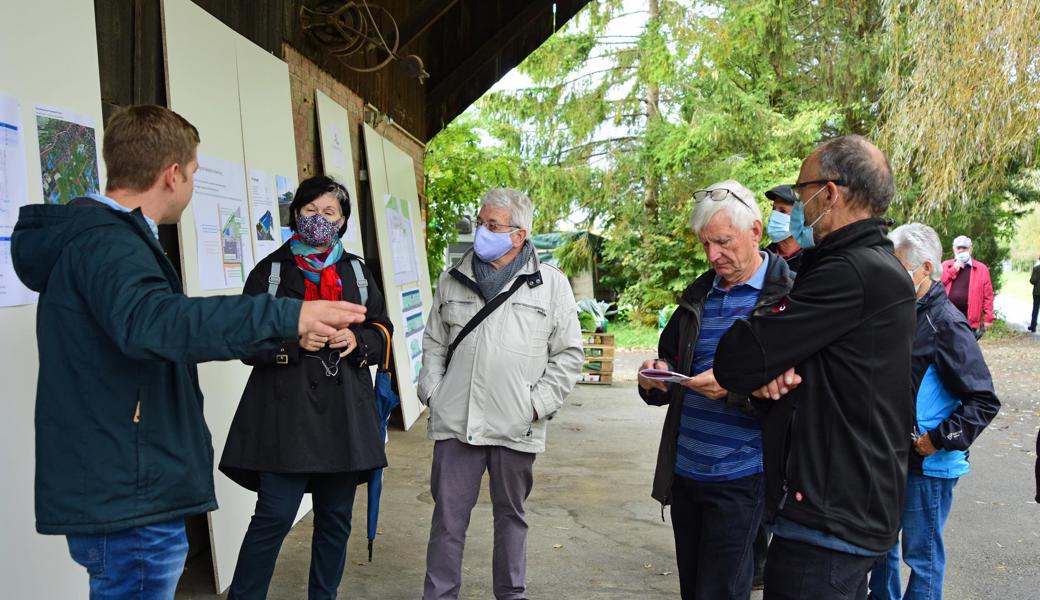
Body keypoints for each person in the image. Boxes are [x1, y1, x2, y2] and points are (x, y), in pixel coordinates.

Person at [10, 105, 366, 598]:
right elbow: (153, 322)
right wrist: (289, 316)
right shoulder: (109, 245)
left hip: (127, 482)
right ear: (172, 175)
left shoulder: (110, 240)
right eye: (195, 173)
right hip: (129, 492)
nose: (193, 186)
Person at [713, 135, 917, 599]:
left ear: (830, 193)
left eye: (801, 191)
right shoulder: (867, 267)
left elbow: (735, 360)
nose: (795, 205)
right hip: (841, 505)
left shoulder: (851, 272)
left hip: (829, 515)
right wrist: (778, 369)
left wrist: (771, 360)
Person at [220, 176, 393, 599]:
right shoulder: (271, 271)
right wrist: (290, 343)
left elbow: (381, 328)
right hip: (284, 415)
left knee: (335, 518)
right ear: (296, 214)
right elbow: (245, 339)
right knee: (274, 515)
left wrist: (359, 341)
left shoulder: (357, 271)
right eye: (311, 211)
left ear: (343, 221)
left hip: (344, 416)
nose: (319, 220)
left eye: (329, 212)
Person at [417, 188, 584, 600]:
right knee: (448, 521)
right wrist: (433, 392)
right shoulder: (452, 278)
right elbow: (434, 343)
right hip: (456, 424)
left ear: (518, 235)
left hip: (515, 425)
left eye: (492, 226)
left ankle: (511, 595)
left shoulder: (551, 285)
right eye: (480, 222)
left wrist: (535, 406)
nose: (481, 232)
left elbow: (568, 356)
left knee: (511, 518)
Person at [637, 180, 794, 600]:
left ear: (756, 232)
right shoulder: (700, 293)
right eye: (705, 244)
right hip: (687, 473)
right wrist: (656, 376)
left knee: (721, 592)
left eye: (723, 242)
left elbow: (803, 390)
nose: (713, 256)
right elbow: (669, 361)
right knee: (695, 590)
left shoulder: (790, 297)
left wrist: (734, 389)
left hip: (744, 475)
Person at [866, 223, 1000, 600]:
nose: (890, 276)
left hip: (928, 464)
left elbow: (984, 400)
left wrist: (936, 440)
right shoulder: (900, 312)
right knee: (881, 548)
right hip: (889, 458)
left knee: (921, 558)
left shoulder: (947, 324)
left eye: (898, 267)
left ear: (925, 268)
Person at [940, 235, 994, 339]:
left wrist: (988, 318)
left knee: (966, 351)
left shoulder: (981, 269)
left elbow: (988, 295)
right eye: (958, 248)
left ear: (970, 249)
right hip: (946, 318)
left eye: (964, 248)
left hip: (969, 319)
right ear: (954, 249)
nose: (961, 250)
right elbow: (938, 285)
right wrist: (954, 269)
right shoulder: (946, 265)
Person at [764, 184, 808, 272]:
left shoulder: (812, 260)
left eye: (783, 211)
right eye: (774, 209)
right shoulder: (764, 256)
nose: (774, 215)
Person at [1028, 256, 1040, 332]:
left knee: (1035, 309)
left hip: (1037, 292)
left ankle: (1033, 326)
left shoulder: (1036, 268)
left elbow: (1033, 280)